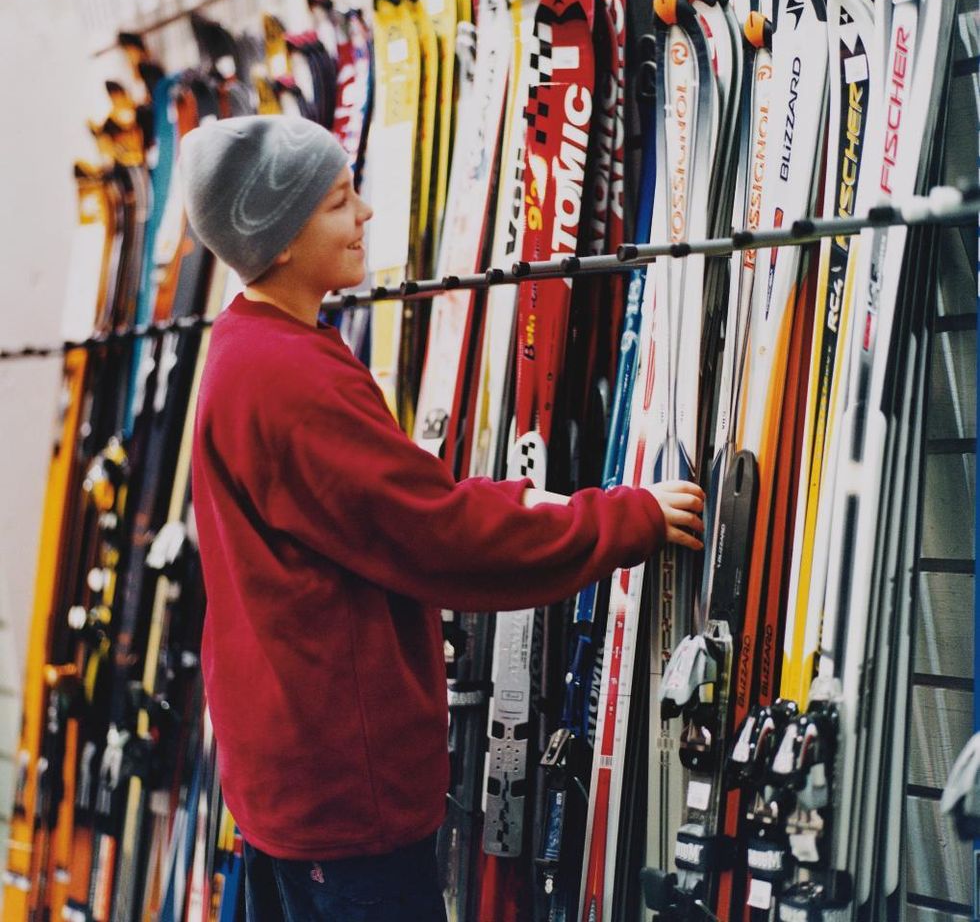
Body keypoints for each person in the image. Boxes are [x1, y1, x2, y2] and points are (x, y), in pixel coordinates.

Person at [181, 115, 705, 922]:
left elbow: (392, 505)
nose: (365, 218)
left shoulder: (246, 345)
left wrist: (530, 502)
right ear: (278, 239)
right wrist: (615, 522)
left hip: (288, 784)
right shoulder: (290, 379)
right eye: (337, 204)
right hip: (344, 804)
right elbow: (436, 536)